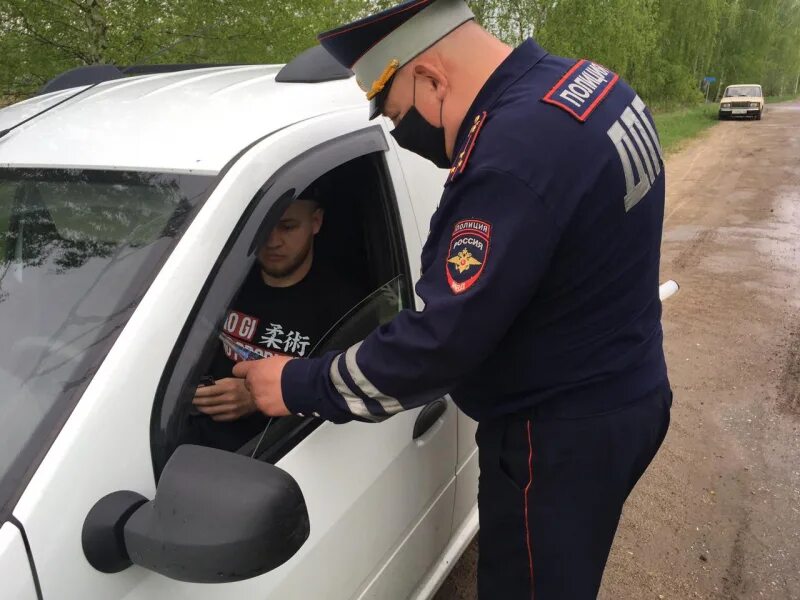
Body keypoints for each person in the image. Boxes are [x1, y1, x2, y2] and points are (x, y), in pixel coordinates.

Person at [234, 1, 672, 597]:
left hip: (558, 435)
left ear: (433, 78)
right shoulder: (589, 86)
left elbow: (438, 344)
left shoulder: (514, 154)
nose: (402, 134)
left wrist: (295, 384)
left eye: (397, 114)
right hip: (624, 384)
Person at [191, 182, 362, 452]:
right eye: (263, 227)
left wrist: (254, 397)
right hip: (193, 440)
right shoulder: (224, 286)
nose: (272, 241)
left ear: (315, 222)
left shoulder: (346, 306)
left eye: (287, 226)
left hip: (277, 453)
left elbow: (342, 391)